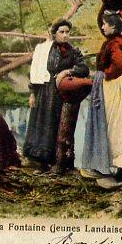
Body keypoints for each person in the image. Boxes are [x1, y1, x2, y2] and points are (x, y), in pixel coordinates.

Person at [80, 8, 122, 189]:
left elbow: (117, 66)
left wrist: (104, 75)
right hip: (111, 85)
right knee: (111, 126)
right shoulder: (114, 39)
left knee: (117, 128)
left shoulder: (115, 43)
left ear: (114, 26)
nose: (102, 26)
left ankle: (121, 173)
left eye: (105, 24)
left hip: (113, 86)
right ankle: (104, 166)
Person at [23, 19, 90, 171]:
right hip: (43, 91)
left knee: (52, 124)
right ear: (54, 34)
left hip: (58, 93)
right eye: (62, 32)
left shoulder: (73, 52)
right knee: (38, 121)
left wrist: (67, 71)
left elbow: (84, 68)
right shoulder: (44, 50)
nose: (65, 35)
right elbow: (35, 71)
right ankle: (33, 158)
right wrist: (32, 93)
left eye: (67, 32)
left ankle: (50, 160)